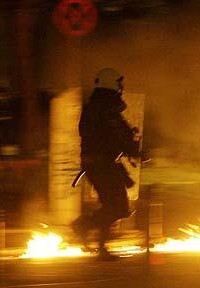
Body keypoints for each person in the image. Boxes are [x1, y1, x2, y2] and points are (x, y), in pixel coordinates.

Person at [72, 68, 141, 260]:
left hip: (95, 163)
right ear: (112, 84)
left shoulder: (94, 106)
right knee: (117, 206)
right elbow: (117, 134)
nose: (121, 87)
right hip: (103, 164)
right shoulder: (107, 108)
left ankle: (95, 240)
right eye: (119, 83)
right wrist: (135, 149)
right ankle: (86, 231)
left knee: (112, 205)